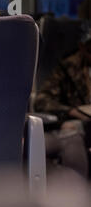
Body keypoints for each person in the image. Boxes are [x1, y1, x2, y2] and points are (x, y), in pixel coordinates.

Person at [34, 23, 91, 178]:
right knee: (72, 134)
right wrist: (71, 111)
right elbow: (42, 100)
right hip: (78, 123)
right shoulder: (68, 67)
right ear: (82, 47)